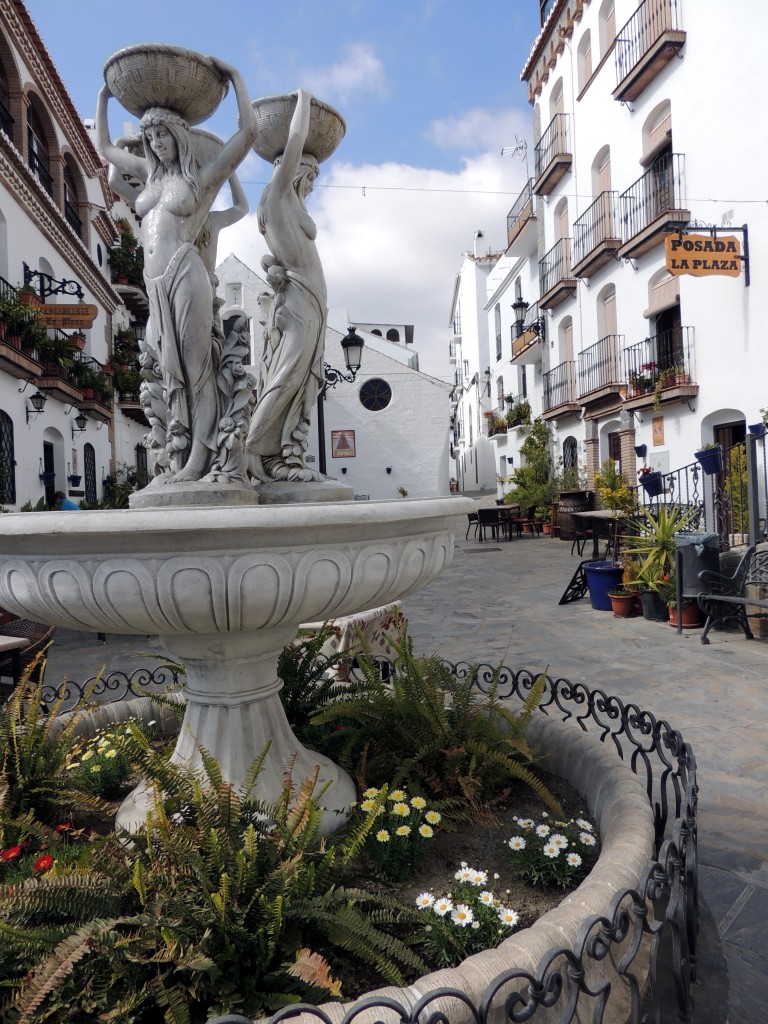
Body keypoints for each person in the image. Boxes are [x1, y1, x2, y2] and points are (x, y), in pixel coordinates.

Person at [95, 59, 258, 485]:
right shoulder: (148, 176)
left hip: (186, 272)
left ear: (178, 136)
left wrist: (238, 78)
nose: (156, 142)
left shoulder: (200, 180)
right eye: (150, 137)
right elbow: (108, 155)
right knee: (169, 371)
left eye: (162, 134)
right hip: (155, 284)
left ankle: (197, 462)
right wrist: (104, 98)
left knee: (196, 370)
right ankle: (179, 452)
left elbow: (249, 134)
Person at [246, 88, 325, 483]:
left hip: (310, 297)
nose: (310, 187)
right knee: (287, 376)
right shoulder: (277, 195)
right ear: (294, 172)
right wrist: (305, 102)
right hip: (298, 296)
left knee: (299, 379)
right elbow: (294, 141)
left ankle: (278, 455)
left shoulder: (294, 205)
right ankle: (248, 450)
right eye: (309, 177)